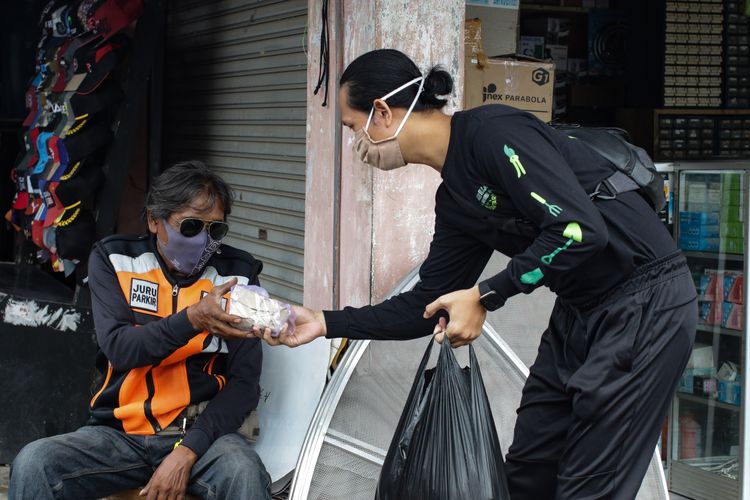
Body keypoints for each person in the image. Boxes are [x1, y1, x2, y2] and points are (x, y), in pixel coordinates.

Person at [258, 49, 697, 499]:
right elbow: (423, 306)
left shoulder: (493, 133)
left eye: (353, 128)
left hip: (646, 303)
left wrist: (488, 294)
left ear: (383, 113)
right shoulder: (455, 200)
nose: (357, 147)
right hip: (580, 312)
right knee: (529, 470)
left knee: (591, 485)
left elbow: (580, 231)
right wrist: (326, 322)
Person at [9, 161, 271, 500]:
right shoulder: (115, 259)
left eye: (215, 230)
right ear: (153, 220)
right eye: (190, 226)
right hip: (118, 434)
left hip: (201, 435)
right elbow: (120, 348)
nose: (203, 239)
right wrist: (192, 319)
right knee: (34, 463)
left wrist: (188, 450)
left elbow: (244, 383)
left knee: (244, 471)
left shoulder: (239, 275)